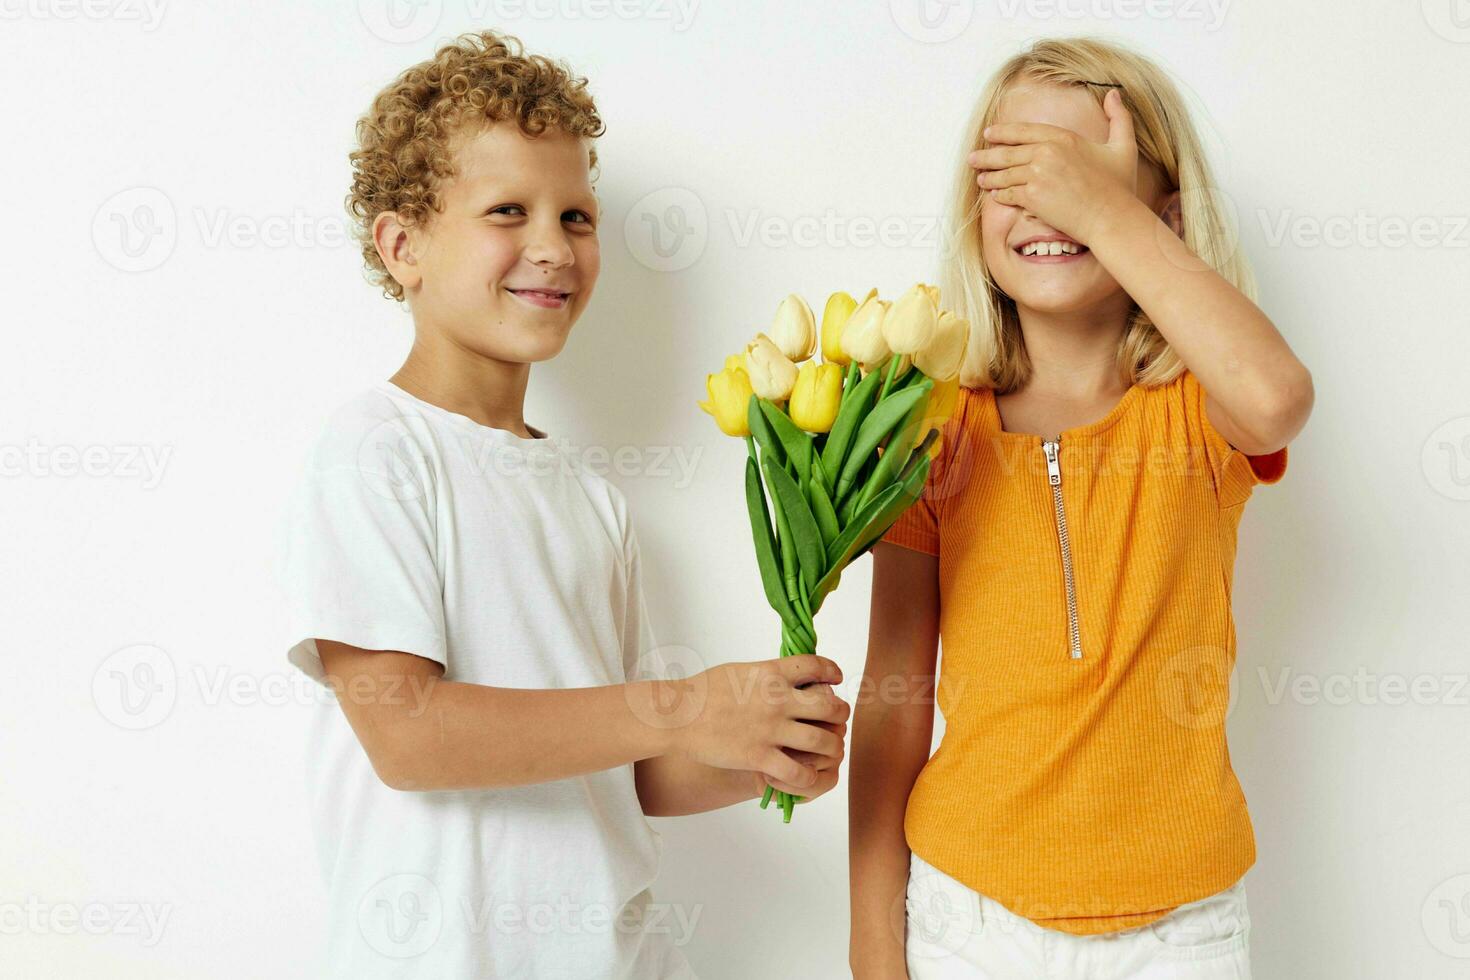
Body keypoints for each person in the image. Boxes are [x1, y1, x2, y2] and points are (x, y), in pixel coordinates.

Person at [277, 30, 849, 979]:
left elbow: (624, 771)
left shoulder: (588, 497)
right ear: (403, 244)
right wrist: (681, 706)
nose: (553, 247)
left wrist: (755, 753)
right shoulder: (376, 452)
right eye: (509, 210)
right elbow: (407, 733)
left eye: (577, 217)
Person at [848, 36, 1313, 979]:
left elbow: (1279, 398)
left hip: (1179, 928)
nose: (1043, 202)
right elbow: (894, 692)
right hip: (967, 914)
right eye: (1012, 173)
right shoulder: (932, 428)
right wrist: (872, 938)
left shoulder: (1199, 409)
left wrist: (1106, 213)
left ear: (1162, 216)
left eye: (1077, 175)